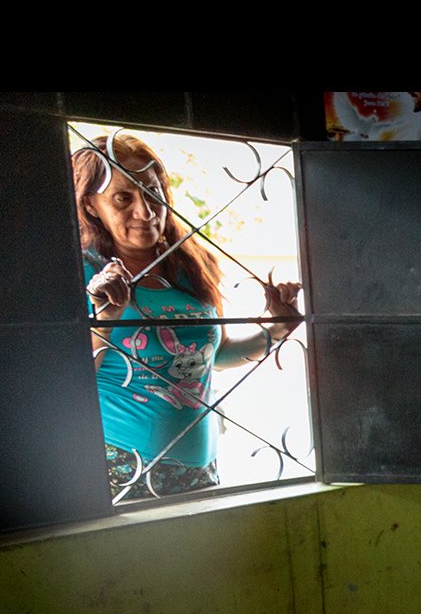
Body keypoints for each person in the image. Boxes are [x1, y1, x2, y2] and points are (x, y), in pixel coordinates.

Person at [72, 132, 302, 501]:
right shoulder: (82, 274)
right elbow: (63, 382)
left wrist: (277, 329)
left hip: (201, 468)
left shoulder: (190, 266)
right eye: (123, 197)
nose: (144, 212)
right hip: (122, 469)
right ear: (91, 206)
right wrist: (105, 317)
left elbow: (214, 357)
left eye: (152, 192)